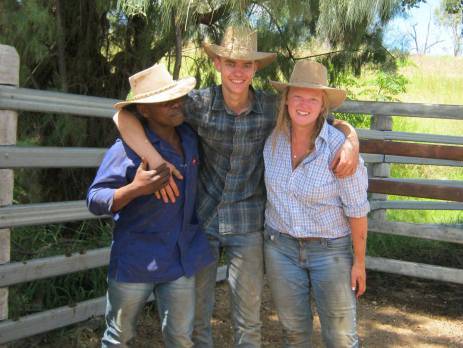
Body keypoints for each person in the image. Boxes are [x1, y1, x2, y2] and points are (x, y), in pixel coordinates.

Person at [113, 26, 360, 348]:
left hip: (248, 222)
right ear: (217, 63)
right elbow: (124, 116)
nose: (238, 72)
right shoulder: (198, 105)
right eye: (230, 63)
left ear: (256, 68)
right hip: (203, 219)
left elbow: (323, 119)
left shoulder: (273, 109)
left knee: (248, 317)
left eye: (246, 65)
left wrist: (351, 138)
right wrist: (153, 159)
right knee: (199, 316)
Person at [87, 64, 214, 348]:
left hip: (180, 257)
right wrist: (135, 189)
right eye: (164, 100)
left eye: (177, 96)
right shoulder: (126, 150)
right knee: (118, 337)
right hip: (137, 259)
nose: (176, 103)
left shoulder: (189, 138)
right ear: (144, 110)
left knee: (182, 337)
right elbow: (95, 198)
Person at [263, 60, 369, 348]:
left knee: (341, 338)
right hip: (280, 247)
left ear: (323, 105)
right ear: (286, 100)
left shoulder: (339, 149)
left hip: (330, 250)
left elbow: (358, 211)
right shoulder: (272, 139)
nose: (304, 104)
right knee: (294, 333)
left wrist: (359, 262)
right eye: (297, 96)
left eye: (313, 98)